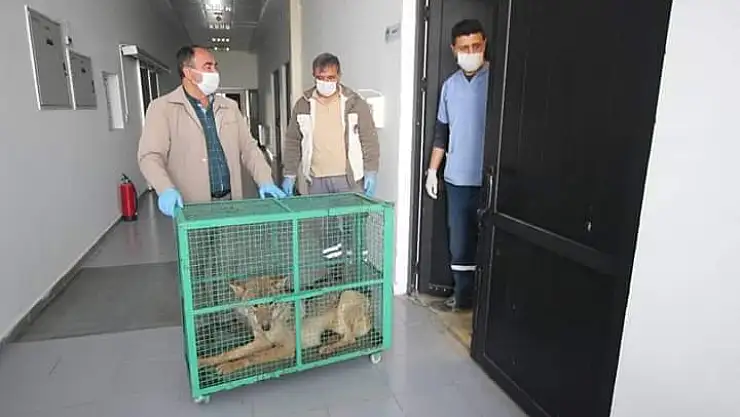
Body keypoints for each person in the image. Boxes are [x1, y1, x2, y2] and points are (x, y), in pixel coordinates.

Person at [138, 45, 285, 218]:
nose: (215, 72)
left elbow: (249, 148)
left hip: (231, 203)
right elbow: (150, 156)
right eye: (208, 67)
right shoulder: (162, 108)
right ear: (188, 73)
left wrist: (265, 180)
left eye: (215, 66)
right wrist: (165, 188)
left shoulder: (229, 107)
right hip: (190, 208)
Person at [281, 52, 380, 260]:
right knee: (326, 231)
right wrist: (289, 174)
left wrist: (371, 170)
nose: (326, 83)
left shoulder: (355, 103)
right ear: (314, 76)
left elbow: (369, 138)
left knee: (355, 227)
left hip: (349, 178)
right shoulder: (303, 105)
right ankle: (334, 272)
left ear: (339, 76)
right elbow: (292, 141)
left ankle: (356, 271)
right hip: (317, 179)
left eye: (330, 78)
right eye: (321, 78)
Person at [425, 19, 489, 313]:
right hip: (457, 178)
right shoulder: (449, 87)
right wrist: (432, 171)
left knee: (489, 241)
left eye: (476, 46)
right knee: (459, 241)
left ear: (484, 44)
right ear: (454, 49)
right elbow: (442, 132)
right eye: (464, 48)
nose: (471, 52)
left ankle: (487, 304)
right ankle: (462, 298)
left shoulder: (499, 80)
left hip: (490, 179)